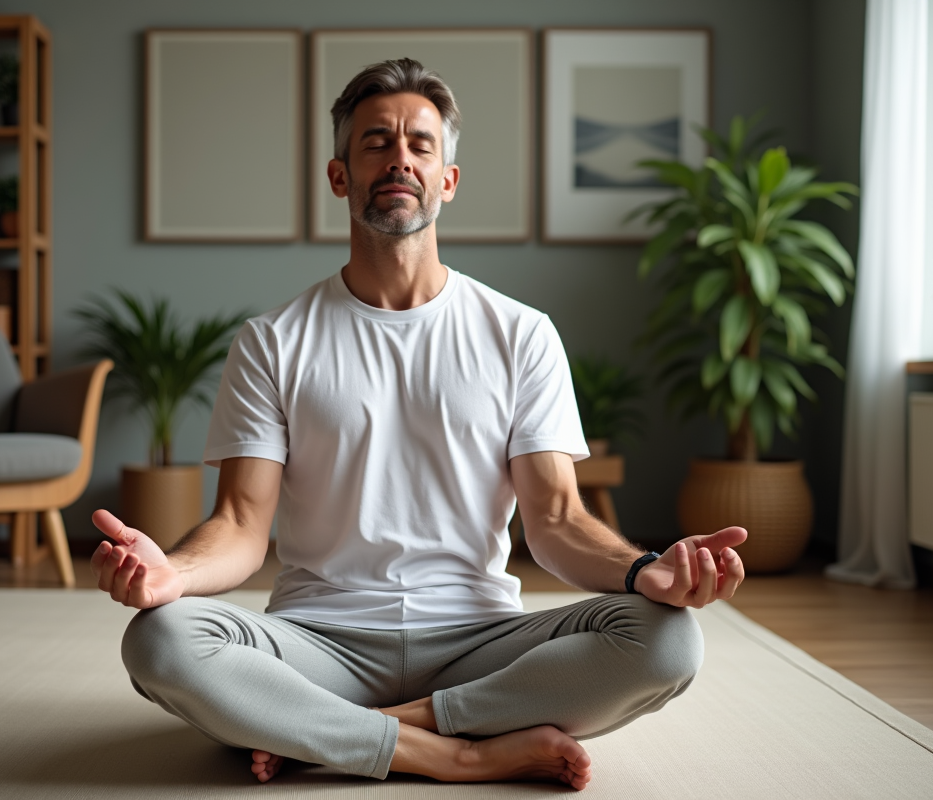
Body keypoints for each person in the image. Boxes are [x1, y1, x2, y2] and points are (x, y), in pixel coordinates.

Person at [90, 58, 747, 791]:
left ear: (447, 180)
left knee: (665, 641)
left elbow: (556, 521)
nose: (399, 156)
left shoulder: (520, 334)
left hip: (482, 640)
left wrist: (641, 570)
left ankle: (340, 730)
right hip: (318, 643)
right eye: (375, 141)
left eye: (420, 145)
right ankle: (460, 750)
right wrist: (166, 574)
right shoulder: (272, 340)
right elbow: (243, 527)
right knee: (162, 640)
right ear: (340, 176)